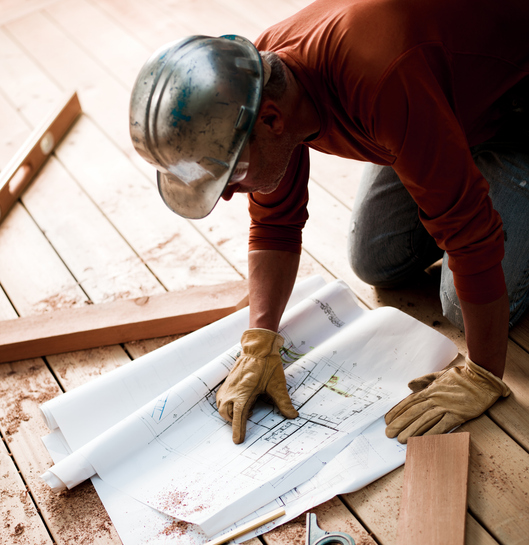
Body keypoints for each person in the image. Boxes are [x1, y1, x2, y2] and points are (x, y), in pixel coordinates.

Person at [130, 0, 529, 445]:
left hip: (514, 111)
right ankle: (443, 153)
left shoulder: (381, 82)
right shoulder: (257, 80)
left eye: (231, 175)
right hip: (433, 100)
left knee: (459, 304)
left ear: (273, 121)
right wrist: (260, 339)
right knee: (378, 259)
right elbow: (275, 224)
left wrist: (483, 373)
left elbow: (471, 238)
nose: (226, 194)